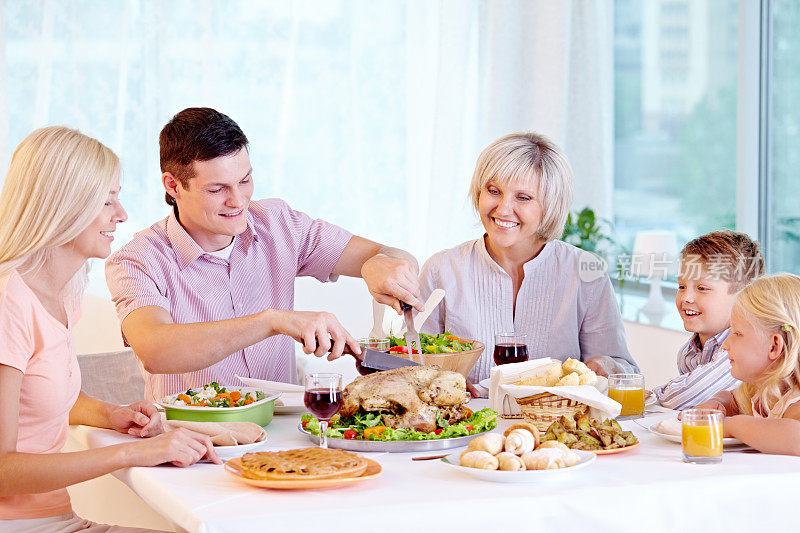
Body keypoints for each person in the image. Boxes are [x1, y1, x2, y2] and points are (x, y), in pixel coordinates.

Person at [106, 108, 421, 402]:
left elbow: (391, 254)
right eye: (217, 189)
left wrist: (380, 263)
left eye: (245, 180)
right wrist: (274, 322)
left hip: (287, 437)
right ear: (173, 185)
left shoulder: (278, 223)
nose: (238, 200)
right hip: (194, 444)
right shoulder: (138, 259)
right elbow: (155, 350)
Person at [0, 127, 220, 533]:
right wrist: (134, 454)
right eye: (107, 201)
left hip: (56, 519)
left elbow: (38, 399)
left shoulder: (60, 294)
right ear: (62, 207)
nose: (120, 214)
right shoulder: (8, 304)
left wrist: (111, 414)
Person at [418, 132, 638, 384]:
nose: (502, 209)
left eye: (523, 197)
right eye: (493, 191)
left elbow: (626, 371)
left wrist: (606, 365)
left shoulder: (586, 272)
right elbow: (408, 361)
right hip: (465, 421)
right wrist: (439, 380)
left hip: (553, 422)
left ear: (550, 204)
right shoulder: (441, 270)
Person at [653, 231, 764, 409]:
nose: (686, 298)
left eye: (702, 288)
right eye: (681, 286)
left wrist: (647, 395)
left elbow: (684, 397)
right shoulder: (688, 352)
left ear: (742, 296)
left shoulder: (742, 348)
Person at [693, 273, 800, 455]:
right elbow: (732, 400)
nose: (725, 345)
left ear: (774, 346)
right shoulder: (761, 392)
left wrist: (732, 426)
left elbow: (796, 438)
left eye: (737, 333)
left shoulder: (794, 404)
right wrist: (716, 402)